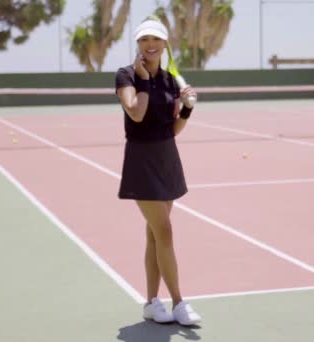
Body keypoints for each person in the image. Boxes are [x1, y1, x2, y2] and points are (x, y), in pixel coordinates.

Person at [114, 17, 201, 326]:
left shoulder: (168, 80)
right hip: (141, 161)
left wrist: (188, 107)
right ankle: (178, 302)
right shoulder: (126, 76)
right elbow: (136, 113)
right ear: (137, 44)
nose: (149, 45)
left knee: (155, 235)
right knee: (164, 231)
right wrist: (144, 80)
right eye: (143, 40)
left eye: (155, 39)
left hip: (167, 158)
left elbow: (173, 129)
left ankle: (152, 303)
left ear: (165, 44)